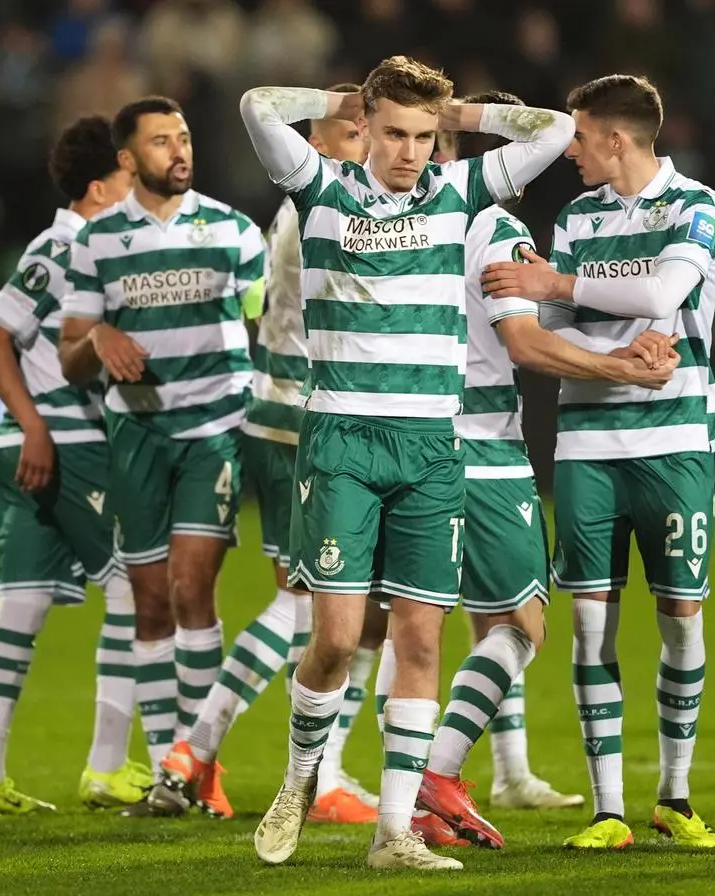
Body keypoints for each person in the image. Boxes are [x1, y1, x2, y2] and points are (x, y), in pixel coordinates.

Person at [240, 55, 574, 871]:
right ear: (364, 128)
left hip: (432, 449)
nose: (410, 151)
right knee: (339, 639)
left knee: (422, 640)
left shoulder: (459, 195)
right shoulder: (320, 189)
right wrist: (339, 101)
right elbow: (256, 105)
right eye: (394, 133)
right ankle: (298, 779)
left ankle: (394, 834)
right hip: (344, 443)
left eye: (425, 137)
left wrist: (458, 116)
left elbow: (556, 128)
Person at [413, 89, 676, 850]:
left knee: (415, 630)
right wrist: (621, 365)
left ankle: (399, 798)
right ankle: (438, 775)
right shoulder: (489, 221)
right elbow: (524, 345)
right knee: (524, 624)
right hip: (482, 447)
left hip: (405, 440)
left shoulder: (401, 218)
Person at [481, 74, 715, 852]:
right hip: (587, 443)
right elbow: (552, 325)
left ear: (615, 139)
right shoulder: (577, 216)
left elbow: (664, 290)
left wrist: (561, 283)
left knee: (682, 621)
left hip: (676, 440)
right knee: (590, 628)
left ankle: (675, 795)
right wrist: (617, 347)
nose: (572, 153)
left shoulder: (698, 205)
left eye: (580, 138)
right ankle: (609, 809)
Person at [157, 83, 383, 825]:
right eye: (356, 135)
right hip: (308, 426)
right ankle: (209, 745)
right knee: (315, 605)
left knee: (347, 607)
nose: (372, 148)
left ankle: (307, 769)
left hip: (275, 413)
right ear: (317, 145)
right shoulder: (326, 208)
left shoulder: (290, 214)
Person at [59, 96, 267, 819]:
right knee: (149, 605)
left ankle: (200, 766)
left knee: (189, 589)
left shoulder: (234, 231)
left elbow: (265, 324)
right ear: (127, 159)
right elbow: (72, 356)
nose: (180, 151)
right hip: (137, 435)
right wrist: (98, 343)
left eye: (183, 138)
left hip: (213, 429)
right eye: (161, 142)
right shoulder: (98, 242)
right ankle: (163, 775)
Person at [0, 115, 148, 814]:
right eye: (128, 178)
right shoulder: (65, 247)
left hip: (25, 445)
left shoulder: (82, 245)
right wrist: (37, 423)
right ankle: (106, 766)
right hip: (62, 443)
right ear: (100, 187)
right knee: (135, 588)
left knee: (22, 607)